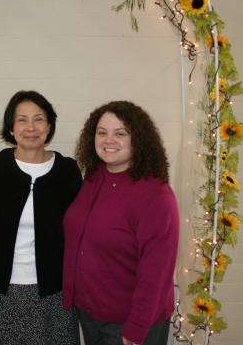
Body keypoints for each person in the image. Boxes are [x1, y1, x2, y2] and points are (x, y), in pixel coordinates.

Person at [63, 100, 179, 345]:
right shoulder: (95, 177)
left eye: (120, 133)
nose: (109, 140)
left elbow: (157, 272)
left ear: (138, 139)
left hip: (131, 322)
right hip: (91, 314)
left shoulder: (155, 194)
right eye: (102, 132)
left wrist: (136, 328)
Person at [0, 90, 82, 345]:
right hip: (0, 292)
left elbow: (82, 231)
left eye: (38, 119)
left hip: (56, 293)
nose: (30, 127)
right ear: (11, 128)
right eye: (22, 120)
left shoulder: (68, 171)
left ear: (49, 126)